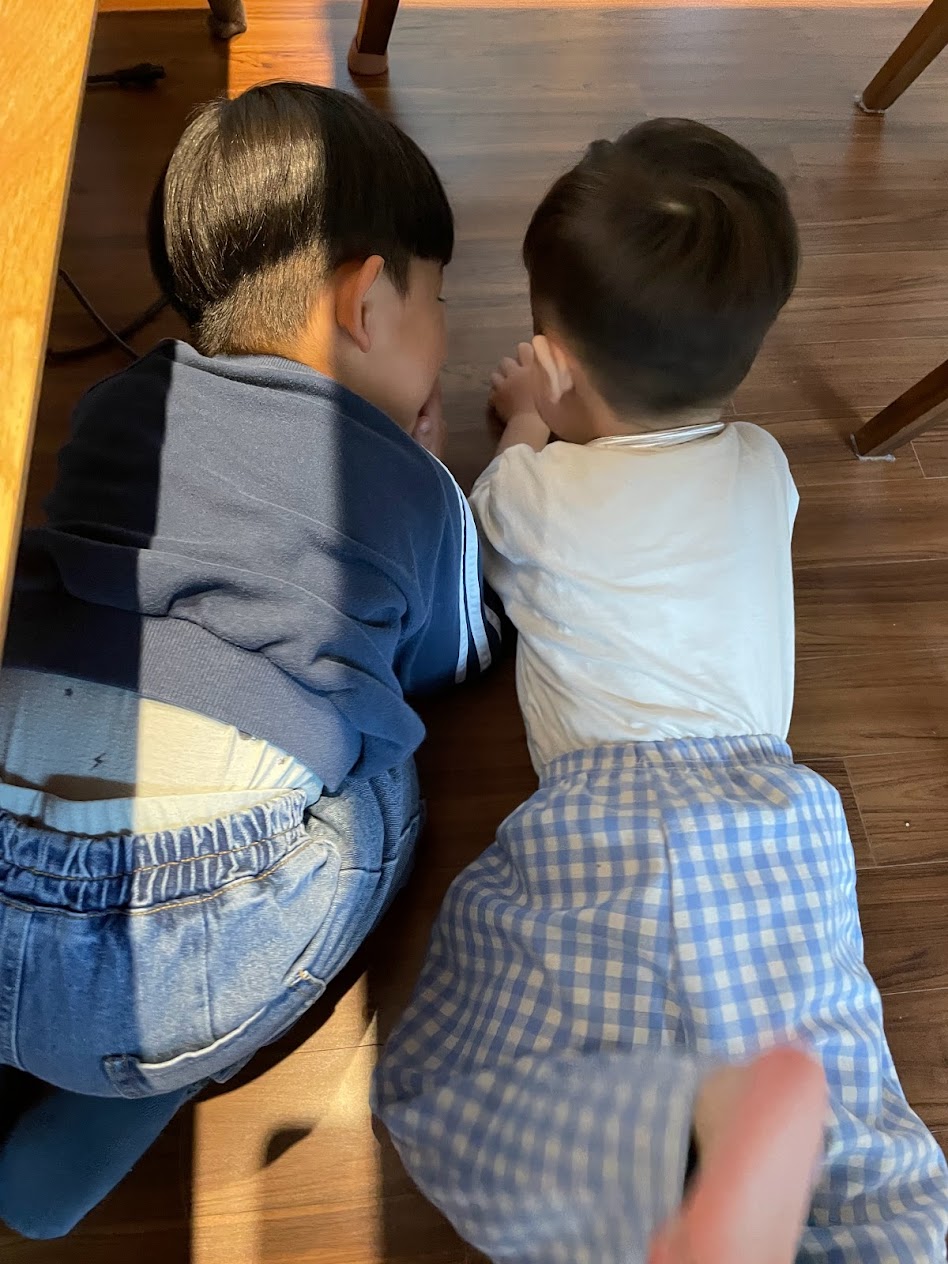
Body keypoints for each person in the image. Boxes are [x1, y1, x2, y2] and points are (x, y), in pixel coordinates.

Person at [373, 119, 948, 1262]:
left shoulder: (534, 497)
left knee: (465, 1079)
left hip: (616, 808)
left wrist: (525, 419)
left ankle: (692, 1141)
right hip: (777, 813)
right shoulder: (765, 466)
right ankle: (782, 1188)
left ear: (559, 354)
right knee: (824, 1042)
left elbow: (484, 535)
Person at [0, 82, 499, 1239]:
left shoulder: (120, 404)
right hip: (180, 941)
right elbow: (450, 658)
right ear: (368, 301)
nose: (447, 334)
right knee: (384, 766)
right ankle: (120, 1103)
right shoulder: (416, 490)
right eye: (440, 301)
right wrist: (437, 485)